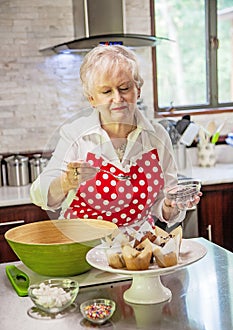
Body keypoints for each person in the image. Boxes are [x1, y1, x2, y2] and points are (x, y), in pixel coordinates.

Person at [30, 45, 201, 231]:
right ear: (92, 99)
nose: (118, 98)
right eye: (106, 92)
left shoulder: (157, 137)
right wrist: (66, 182)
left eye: (124, 88)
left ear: (138, 90)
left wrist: (169, 206)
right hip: (82, 245)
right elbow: (41, 194)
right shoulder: (75, 134)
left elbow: (163, 202)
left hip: (137, 247)